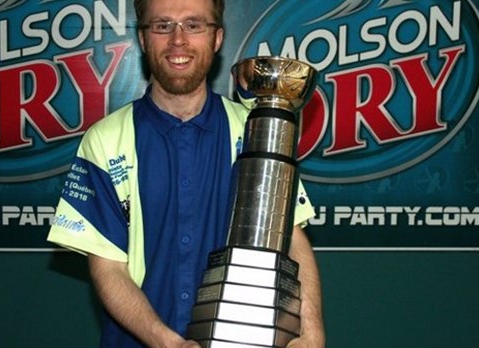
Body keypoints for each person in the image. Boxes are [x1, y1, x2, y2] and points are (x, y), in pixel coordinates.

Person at [47, 0, 325, 346]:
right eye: (162, 26)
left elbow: (293, 241)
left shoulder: (256, 130)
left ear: (217, 38)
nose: (178, 40)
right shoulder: (105, 140)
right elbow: (108, 268)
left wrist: (311, 331)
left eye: (194, 25)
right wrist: (170, 343)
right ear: (144, 38)